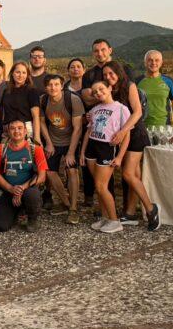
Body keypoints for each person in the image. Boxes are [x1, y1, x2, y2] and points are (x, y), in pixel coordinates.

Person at [102, 61, 161, 231]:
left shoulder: (129, 85)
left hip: (135, 135)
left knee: (128, 174)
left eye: (111, 73)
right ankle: (130, 213)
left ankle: (151, 209)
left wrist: (123, 131)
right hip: (121, 136)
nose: (108, 77)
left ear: (119, 72)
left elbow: (137, 112)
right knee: (134, 174)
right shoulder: (109, 89)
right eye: (105, 75)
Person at [79, 81, 131, 234]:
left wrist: (120, 157)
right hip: (91, 148)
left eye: (101, 89)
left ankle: (115, 221)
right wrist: (82, 152)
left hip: (106, 148)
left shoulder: (121, 109)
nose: (98, 93)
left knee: (102, 186)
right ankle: (105, 217)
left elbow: (126, 136)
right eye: (95, 92)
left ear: (109, 88)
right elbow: (88, 132)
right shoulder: (95, 109)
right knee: (98, 186)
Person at [40, 74, 84, 224]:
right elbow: (42, 123)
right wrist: (49, 143)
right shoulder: (43, 100)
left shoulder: (72, 99)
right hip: (54, 141)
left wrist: (71, 152)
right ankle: (67, 204)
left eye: (56, 84)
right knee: (50, 172)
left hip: (70, 140)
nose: (53, 87)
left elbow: (78, 128)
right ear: (46, 87)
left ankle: (73, 209)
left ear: (62, 85)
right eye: (50, 85)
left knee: (71, 170)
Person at [0, 119, 47, 232]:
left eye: (20, 128)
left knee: (32, 195)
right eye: (12, 128)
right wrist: (11, 189)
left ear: (26, 131)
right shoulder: (1, 148)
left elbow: (42, 176)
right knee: (0, 226)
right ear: (8, 132)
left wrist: (21, 189)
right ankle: (18, 211)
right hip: (8, 191)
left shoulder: (35, 149)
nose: (16, 131)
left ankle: (32, 217)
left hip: (28, 190)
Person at [80, 40, 117, 208]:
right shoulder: (89, 74)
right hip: (96, 125)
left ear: (110, 50)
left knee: (109, 171)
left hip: (115, 126)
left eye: (103, 50)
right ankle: (103, 209)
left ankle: (114, 209)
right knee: (95, 171)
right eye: (96, 51)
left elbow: (123, 91)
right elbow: (85, 95)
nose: (100, 53)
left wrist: (97, 94)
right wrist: (102, 98)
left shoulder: (120, 69)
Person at [137, 50, 173, 127]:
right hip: (142, 127)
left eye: (157, 60)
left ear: (161, 63)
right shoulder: (137, 81)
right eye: (150, 60)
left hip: (164, 127)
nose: (153, 63)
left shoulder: (168, 81)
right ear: (145, 62)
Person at [1, 61, 41, 144]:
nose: (21, 75)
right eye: (18, 72)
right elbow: (4, 111)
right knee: (7, 155)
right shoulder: (6, 91)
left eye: (24, 72)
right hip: (9, 131)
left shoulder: (31, 91)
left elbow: (36, 116)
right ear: (12, 73)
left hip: (26, 131)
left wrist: (37, 137)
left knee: (25, 156)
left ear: (27, 75)